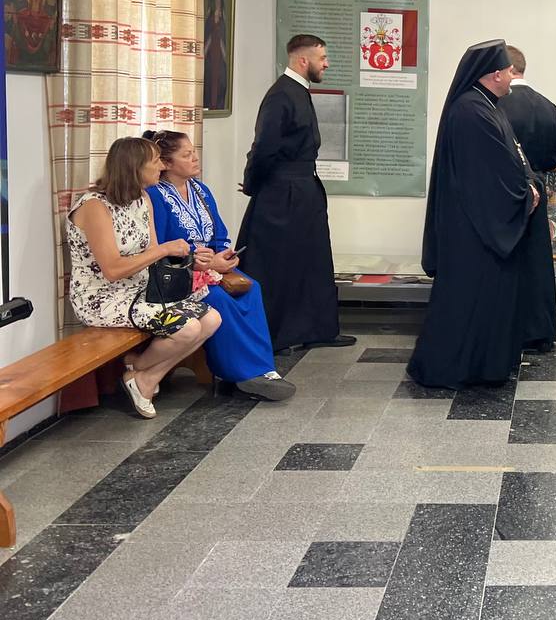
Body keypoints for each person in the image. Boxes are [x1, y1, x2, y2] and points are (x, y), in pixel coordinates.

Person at [409, 40, 536, 388]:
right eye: (508, 71)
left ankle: (483, 366)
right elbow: (488, 175)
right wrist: (526, 194)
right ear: (494, 74)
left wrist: (527, 185)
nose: (512, 77)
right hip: (473, 230)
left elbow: (513, 157)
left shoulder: (487, 105)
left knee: (484, 301)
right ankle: (453, 369)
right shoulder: (471, 111)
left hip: (480, 226)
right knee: (467, 302)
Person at [66, 137, 221, 418]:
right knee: (187, 329)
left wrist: (191, 261)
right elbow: (113, 269)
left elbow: (152, 253)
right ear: (134, 167)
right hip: (102, 297)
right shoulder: (94, 206)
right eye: (156, 161)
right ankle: (142, 376)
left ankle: (143, 374)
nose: (161, 167)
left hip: (139, 289)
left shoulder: (143, 197)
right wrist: (165, 249)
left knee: (211, 319)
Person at [144, 130, 295, 401]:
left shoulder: (200, 190)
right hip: (178, 273)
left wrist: (225, 256)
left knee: (251, 288)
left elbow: (218, 233)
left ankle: (264, 368)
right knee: (217, 299)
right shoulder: (155, 195)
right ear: (166, 163)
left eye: (194, 152)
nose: (195, 158)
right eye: (186, 155)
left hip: (210, 267)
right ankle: (238, 373)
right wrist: (198, 261)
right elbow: (160, 245)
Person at [236, 34, 353, 352]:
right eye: (322, 58)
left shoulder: (298, 91)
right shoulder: (281, 95)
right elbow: (264, 147)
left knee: (312, 260)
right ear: (303, 60)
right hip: (282, 193)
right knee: (277, 264)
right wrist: (252, 183)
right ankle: (274, 335)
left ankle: (318, 329)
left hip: (302, 189)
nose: (326, 64)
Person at [499, 44, 556, 354]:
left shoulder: (496, 104)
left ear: (507, 69)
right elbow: (555, 158)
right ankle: (540, 332)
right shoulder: (548, 106)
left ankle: (509, 328)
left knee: (508, 260)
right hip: (538, 186)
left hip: (505, 193)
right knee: (538, 261)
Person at [204, 0, 229, 113]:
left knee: (220, 83)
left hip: (219, 60)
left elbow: (225, 48)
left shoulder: (224, 23)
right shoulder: (208, 21)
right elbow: (205, 44)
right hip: (210, 59)